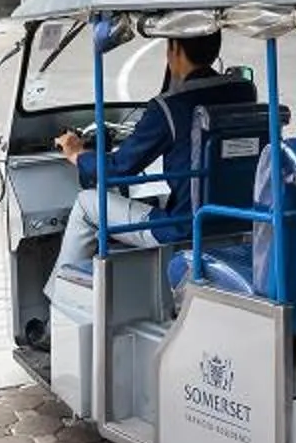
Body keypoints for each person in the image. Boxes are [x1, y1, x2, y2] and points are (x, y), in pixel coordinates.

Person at [52, 28, 257, 276]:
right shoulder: (245, 91)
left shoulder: (169, 107)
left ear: (175, 49)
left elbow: (119, 168)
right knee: (160, 196)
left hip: (183, 227)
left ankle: (59, 292)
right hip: (239, 218)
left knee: (87, 203)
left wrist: (77, 153)